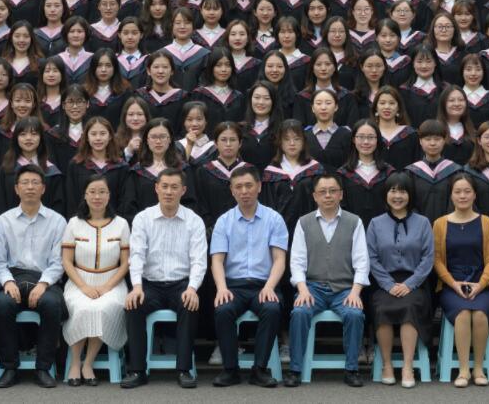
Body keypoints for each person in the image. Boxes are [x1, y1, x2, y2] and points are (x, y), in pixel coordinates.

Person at [122, 167, 206, 389]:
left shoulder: (194, 221)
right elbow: (136, 255)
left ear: (183, 190)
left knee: (189, 304)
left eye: (174, 187)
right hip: (150, 285)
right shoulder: (143, 218)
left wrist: (192, 288)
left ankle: (184, 369)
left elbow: (199, 260)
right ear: (156, 188)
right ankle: (137, 370)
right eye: (165, 186)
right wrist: (136, 286)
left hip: (181, 284)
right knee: (133, 305)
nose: (169, 192)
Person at [284, 173, 369, 387]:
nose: (328, 195)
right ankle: (295, 369)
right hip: (313, 287)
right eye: (322, 191)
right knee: (299, 312)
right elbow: (297, 261)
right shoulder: (304, 223)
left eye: (333, 191)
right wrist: (302, 290)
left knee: (354, 314)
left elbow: (362, 261)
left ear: (341, 194)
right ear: (315, 196)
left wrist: (355, 292)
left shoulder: (354, 222)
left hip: (344, 289)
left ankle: (352, 369)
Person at [209, 164, 289, 388]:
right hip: (233, 285)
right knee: (223, 309)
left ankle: (259, 370)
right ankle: (230, 370)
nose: (244, 191)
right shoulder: (224, 221)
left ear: (259, 187)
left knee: (271, 309)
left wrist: (270, 287)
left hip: (264, 284)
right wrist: (221, 288)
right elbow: (217, 260)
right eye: (238, 187)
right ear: (232, 190)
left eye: (248, 185)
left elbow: (279, 259)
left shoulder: (274, 219)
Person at [0, 164, 67, 388]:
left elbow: (58, 262)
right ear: (16, 189)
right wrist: (7, 281)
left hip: (44, 278)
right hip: (13, 277)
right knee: (3, 304)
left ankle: (43, 368)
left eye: (35, 183)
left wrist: (43, 284)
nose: (30, 187)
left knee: (51, 304)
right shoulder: (3, 220)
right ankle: (9, 367)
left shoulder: (57, 221)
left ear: (43, 188)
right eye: (25, 183)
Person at [365, 172, 434, 388]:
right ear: (386, 194)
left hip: (415, 282)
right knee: (382, 308)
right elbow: (371, 257)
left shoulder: (423, 223)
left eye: (402, 191)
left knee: (409, 307)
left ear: (410, 195)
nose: (397, 196)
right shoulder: (375, 223)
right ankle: (386, 365)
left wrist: (409, 284)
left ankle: (407, 366)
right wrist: (388, 284)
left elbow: (428, 257)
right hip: (384, 282)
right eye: (393, 191)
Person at [62, 174, 132, 385]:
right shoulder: (74, 223)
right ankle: (75, 363)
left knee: (102, 308)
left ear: (109, 195)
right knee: (81, 307)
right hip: (78, 281)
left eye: (102, 192)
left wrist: (106, 287)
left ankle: (88, 363)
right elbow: (66, 261)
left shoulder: (121, 224)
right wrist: (83, 286)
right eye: (92, 192)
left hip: (113, 283)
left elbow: (126, 263)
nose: (97, 196)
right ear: (85, 195)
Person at [433, 173, 489, 387]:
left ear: (475, 194)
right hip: (451, 285)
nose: (462, 196)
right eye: (458, 192)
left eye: (467, 191)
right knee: (462, 314)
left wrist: (481, 284)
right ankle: (463, 370)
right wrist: (453, 283)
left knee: (479, 314)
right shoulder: (440, 224)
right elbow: (437, 260)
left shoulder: (486, 222)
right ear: (451, 195)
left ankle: (478, 368)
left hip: (481, 284)